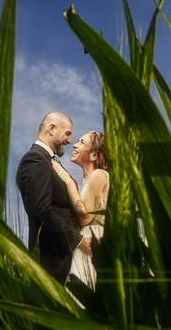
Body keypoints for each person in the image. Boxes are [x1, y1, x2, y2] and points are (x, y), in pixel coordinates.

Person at [16, 111, 91, 283]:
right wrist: (77, 240)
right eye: (68, 133)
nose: (70, 140)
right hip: (52, 262)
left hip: (65, 260)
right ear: (51, 129)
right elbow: (42, 209)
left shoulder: (49, 161)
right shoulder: (34, 160)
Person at [52, 131, 110, 290]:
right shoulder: (90, 180)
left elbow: (85, 218)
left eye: (81, 142)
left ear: (93, 156)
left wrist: (69, 183)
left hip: (93, 243)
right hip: (86, 243)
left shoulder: (99, 174)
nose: (75, 145)